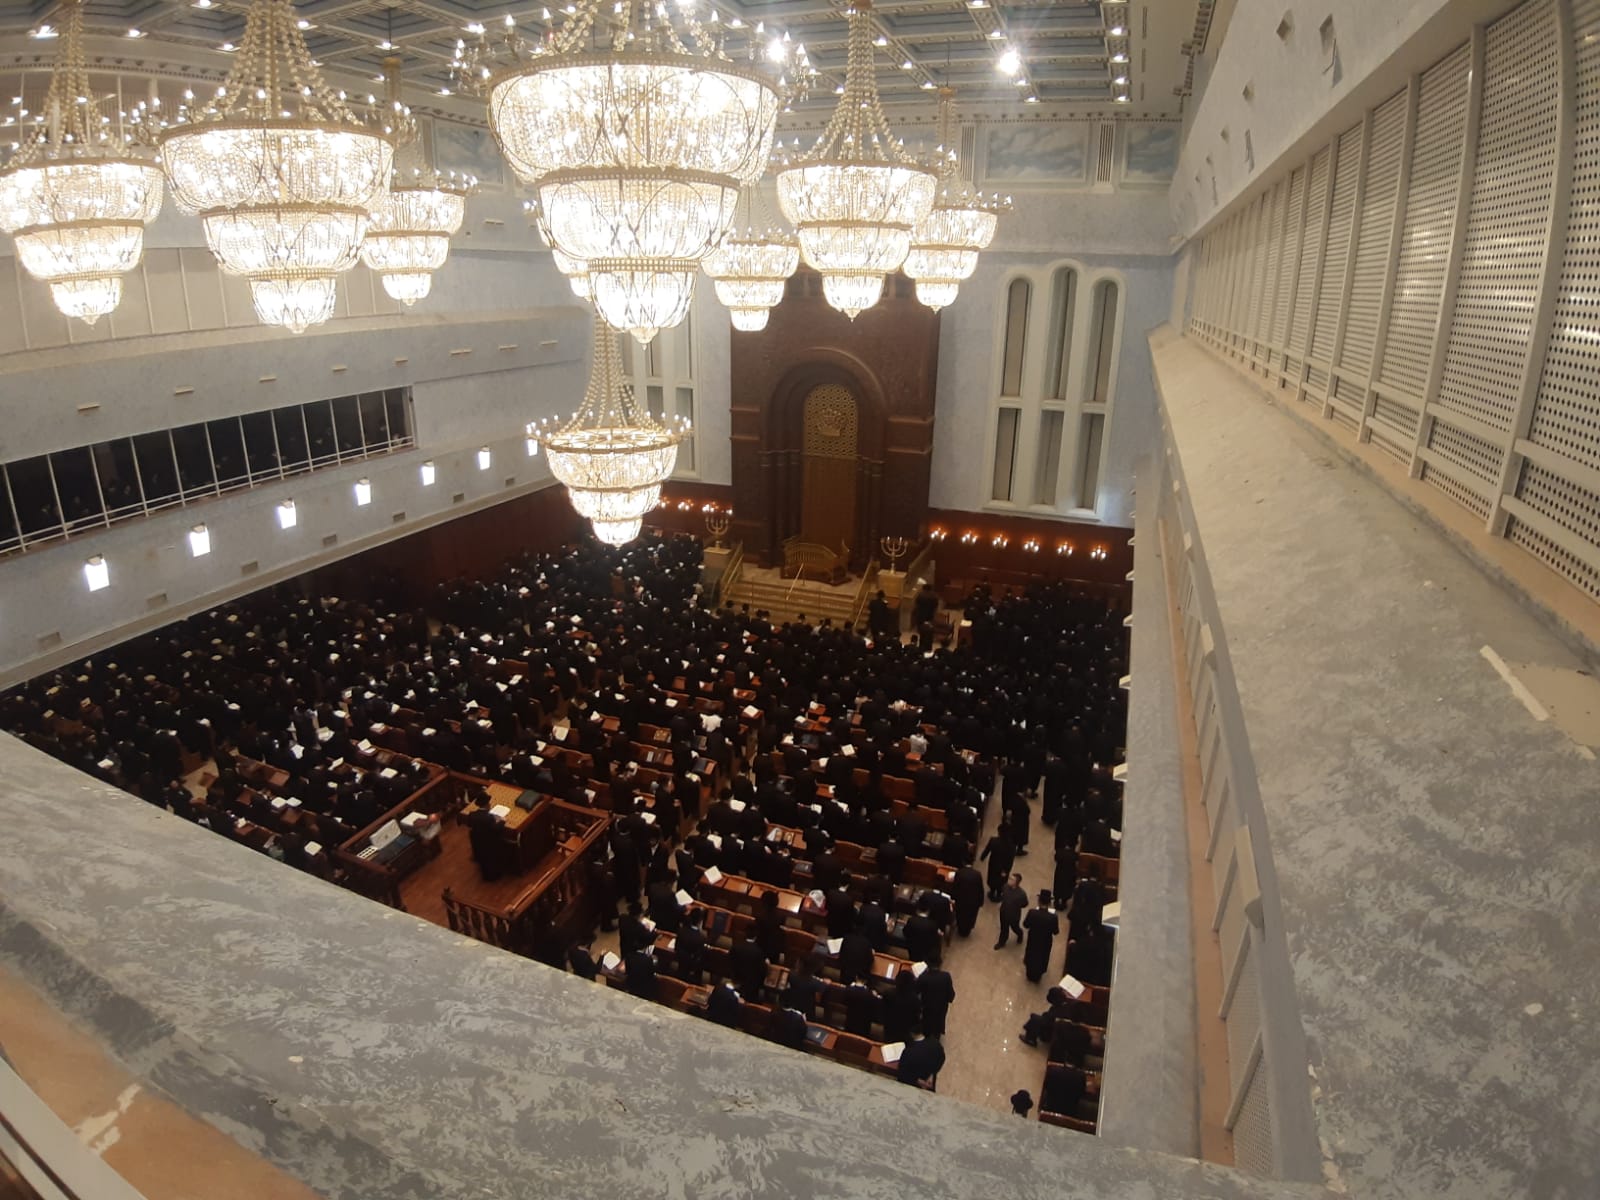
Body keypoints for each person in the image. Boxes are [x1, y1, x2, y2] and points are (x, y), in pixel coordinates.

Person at [1023, 890, 1060, 983]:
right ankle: (1038, 975)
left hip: (1033, 939)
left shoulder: (1032, 912)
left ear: (1039, 901)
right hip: (1045, 941)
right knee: (1042, 956)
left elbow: (1025, 925)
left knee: (1031, 954)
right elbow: (1056, 932)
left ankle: (1029, 973)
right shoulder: (1053, 917)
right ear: (1049, 903)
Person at [896, 1025, 945, 1090]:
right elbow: (941, 1058)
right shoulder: (935, 1043)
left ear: (911, 1034)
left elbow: (902, 1075)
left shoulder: (908, 1052)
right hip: (929, 1080)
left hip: (912, 1086)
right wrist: (932, 1074)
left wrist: (918, 1081)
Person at [918, 957, 956, 1039]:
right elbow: (951, 995)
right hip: (941, 1007)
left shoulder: (923, 977)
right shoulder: (946, 976)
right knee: (938, 1024)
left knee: (927, 1026)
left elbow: (916, 991)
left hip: (927, 1007)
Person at [981, 823, 1016, 901]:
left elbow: (987, 850)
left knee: (992, 879)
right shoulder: (1012, 845)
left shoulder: (993, 840)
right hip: (1004, 867)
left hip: (993, 864)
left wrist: (982, 857)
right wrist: (1006, 870)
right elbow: (1010, 859)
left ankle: (992, 892)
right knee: (1001, 881)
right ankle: (999, 894)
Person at [675, 908, 707, 984]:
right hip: (692, 968)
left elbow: (676, 947)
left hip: (680, 964)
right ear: (700, 922)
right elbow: (698, 956)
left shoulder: (681, 931)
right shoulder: (701, 938)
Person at [995, 873, 1027, 949]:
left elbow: (1025, 904)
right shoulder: (1005, 887)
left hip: (1014, 915)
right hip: (1003, 912)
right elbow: (1003, 896)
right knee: (1004, 929)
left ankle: (1020, 934)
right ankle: (1001, 942)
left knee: (1015, 928)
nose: (1009, 880)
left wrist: (1016, 905)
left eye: (1012, 879)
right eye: (1009, 878)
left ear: (1016, 882)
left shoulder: (1021, 894)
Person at [952, 863, 984, 937]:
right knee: (970, 915)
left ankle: (961, 929)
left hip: (961, 899)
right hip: (973, 900)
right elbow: (980, 889)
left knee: (961, 914)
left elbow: (955, 886)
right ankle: (967, 930)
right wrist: (981, 901)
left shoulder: (959, 872)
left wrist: (953, 897)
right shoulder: (977, 874)